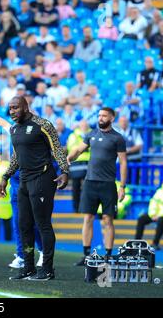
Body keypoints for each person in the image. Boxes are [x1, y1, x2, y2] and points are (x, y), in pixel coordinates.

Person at [0, 96, 69, 280]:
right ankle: (29, 267)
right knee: (24, 225)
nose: (12, 112)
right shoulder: (14, 129)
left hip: (43, 178)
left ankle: (47, 268)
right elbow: (16, 156)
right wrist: (5, 176)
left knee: (42, 224)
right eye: (10, 108)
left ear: (25, 107)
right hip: (23, 180)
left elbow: (57, 149)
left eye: (15, 108)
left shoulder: (43, 124)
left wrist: (64, 171)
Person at [0, 107, 44, 269]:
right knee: (18, 222)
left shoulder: (39, 133)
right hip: (16, 181)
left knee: (34, 222)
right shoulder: (14, 129)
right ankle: (22, 255)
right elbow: (4, 124)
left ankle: (43, 251)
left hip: (33, 180)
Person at [67, 107, 128, 265]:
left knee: (108, 220)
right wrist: (69, 157)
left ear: (112, 118)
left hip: (108, 184)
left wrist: (122, 186)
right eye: (99, 115)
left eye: (104, 116)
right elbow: (78, 150)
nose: (100, 118)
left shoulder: (118, 138)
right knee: (88, 218)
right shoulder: (91, 134)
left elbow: (123, 162)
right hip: (90, 182)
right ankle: (86, 255)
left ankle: (108, 255)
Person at [135, 175, 163, 250]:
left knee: (161, 221)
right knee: (141, 219)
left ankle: (155, 243)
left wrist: (159, 215)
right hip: (156, 215)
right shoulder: (160, 191)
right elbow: (153, 202)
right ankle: (136, 242)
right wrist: (153, 214)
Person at [66, 120, 91, 213]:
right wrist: (85, 148)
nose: (84, 126)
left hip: (89, 163)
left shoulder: (93, 133)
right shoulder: (73, 135)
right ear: (79, 126)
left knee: (88, 187)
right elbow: (71, 148)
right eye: (82, 125)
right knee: (76, 187)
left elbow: (95, 147)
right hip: (76, 163)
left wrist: (81, 148)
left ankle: (87, 208)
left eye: (85, 125)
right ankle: (76, 208)